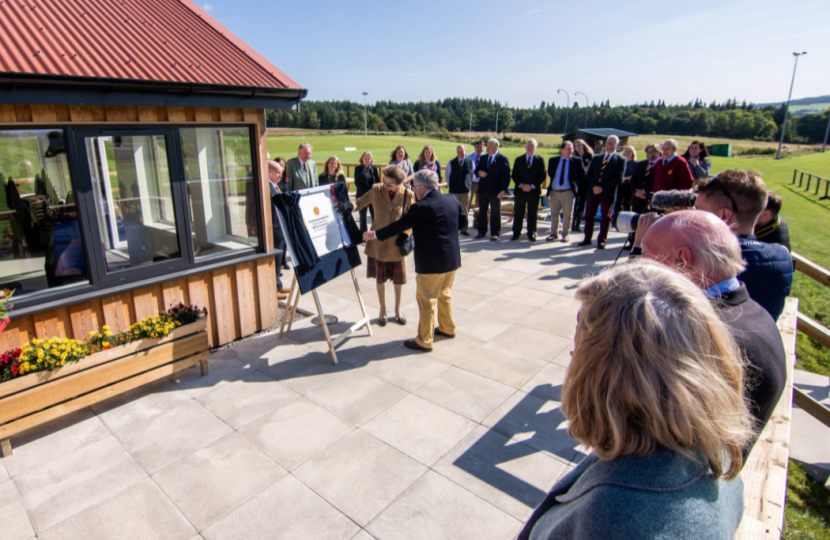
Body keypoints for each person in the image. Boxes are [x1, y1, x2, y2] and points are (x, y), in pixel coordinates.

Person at [519, 260, 751, 540]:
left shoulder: (613, 518)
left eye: (580, 343)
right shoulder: (715, 450)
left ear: (606, 368)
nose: (572, 356)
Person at [632, 210, 787, 452]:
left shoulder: (698, 335)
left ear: (682, 260)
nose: (640, 263)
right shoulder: (748, 311)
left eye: (646, 254)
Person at [361, 170, 467, 351]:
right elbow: (463, 223)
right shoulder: (451, 199)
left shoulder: (421, 206)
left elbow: (398, 226)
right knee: (444, 295)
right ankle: (447, 328)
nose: (413, 190)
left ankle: (424, 340)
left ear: (423, 188)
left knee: (427, 301)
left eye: (415, 187)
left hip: (432, 264)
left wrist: (374, 234)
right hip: (452, 261)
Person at [694, 169, 793, 321]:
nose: (693, 216)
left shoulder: (704, 260)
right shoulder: (783, 255)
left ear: (724, 216)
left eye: (699, 210)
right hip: (766, 338)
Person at [337, 165, 416, 327]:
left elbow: (412, 219)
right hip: (377, 243)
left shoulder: (408, 195)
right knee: (380, 279)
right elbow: (360, 201)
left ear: (399, 184)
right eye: (384, 181)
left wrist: (405, 234)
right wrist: (350, 207)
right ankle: (382, 309)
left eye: (389, 184)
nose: (384, 185)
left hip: (396, 244)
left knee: (398, 281)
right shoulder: (376, 190)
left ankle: (398, 309)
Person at [578, 135, 625, 249]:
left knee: (605, 218)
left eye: (612, 144)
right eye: (608, 143)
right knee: (589, 216)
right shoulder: (597, 158)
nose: (609, 146)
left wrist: (602, 188)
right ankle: (587, 238)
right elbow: (589, 175)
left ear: (616, 145)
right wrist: (594, 186)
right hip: (592, 192)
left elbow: (618, 178)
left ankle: (602, 240)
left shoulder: (620, 160)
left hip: (607, 193)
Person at [546, 141, 584, 243]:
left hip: (568, 192)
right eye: (568, 148)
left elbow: (582, 176)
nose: (570, 150)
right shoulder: (553, 160)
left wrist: (575, 186)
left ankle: (565, 234)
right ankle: (554, 233)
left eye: (572, 148)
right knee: (554, 213)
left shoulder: (577, 161)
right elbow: (550, 173)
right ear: (561, 150)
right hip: (555, 191)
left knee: (568, 214)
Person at [474, 138, 511, 241]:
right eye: (488, 146)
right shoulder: (483, 158)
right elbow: (477, 170)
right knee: (482, 212)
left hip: (496, 192)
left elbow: (507, 177)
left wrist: (503, 190)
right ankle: (481, 232)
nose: (487, 148)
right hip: (483, 190)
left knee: (495, 212)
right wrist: (479, 172)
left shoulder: (503, 159)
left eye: (489, 146)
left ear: (496, 147)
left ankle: (495, 233)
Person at [510, 138, 546, 241]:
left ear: (536, 147)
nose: (530, 147)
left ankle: (532, 232)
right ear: (525, 146)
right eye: (528, 145)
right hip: (520, 191)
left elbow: (542, 176)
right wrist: (521, 185)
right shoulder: (519, 159)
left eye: (532, 145)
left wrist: (533, 186)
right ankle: (516, 232)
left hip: (533, 192)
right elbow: (514, 175)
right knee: (518, 212)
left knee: (532, 213)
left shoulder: (540, 160)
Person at [267, 161, 291, 300]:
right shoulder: (266, 187)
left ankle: (278, 284)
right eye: (278, 172)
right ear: (269, 172)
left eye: (281, 172)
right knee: (275, 260)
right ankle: (274, 289)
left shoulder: (274, 185)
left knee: (280, 259)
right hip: (274, 229)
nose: (281, 175)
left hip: (280, 228)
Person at [444, 144, 475, 236]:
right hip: (454, 191)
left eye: (462, 151)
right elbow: (447, 176)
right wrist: (452, 185)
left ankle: (464, 229)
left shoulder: (470, 162)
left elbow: (472, 175)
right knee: (453, 210)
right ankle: (453, 228)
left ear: (465, 151)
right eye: (458, 152)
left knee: (465, 210)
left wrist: (468, 185)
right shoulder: (451, 163)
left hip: (465, 191)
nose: (460, 153)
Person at [629, 143, 660, 214]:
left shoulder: (661, 165)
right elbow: (633, 179)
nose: (650, 153)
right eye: (648, 152)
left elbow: (658, 182)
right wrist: (637, 192)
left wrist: (645, 191)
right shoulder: (641, 164)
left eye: (653, 151)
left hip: (652, 200)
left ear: (659, 152)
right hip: (637, 200)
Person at [354, 151, 380, 233]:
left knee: (374, 214)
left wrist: (373, 192)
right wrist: (367, 193)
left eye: (369, 158)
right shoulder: (358, 169)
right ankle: (363, 233)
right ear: (362, 159)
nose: (367, 160)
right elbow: (357, 183)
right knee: (362, 216)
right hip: (362, 195)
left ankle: (373, 232)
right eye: (365, 158)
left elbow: (377, 181)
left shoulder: (374, 168)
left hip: (373, 196)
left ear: (371, 159)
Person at [571, 139, 593, 232]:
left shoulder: (589, 155)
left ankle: (578, 224)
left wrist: (582, 169)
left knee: (582, 202)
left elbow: (588, 168)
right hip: (576, 182)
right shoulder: (574, 157)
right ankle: (572, 224)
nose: (578, 147)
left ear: (583, 145)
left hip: (585, 182)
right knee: (574, 202)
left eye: (579, 145)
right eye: (576, 145)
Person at [614, 145, 636, 215]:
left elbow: (635, 175)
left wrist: (626, 178)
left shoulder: (635, 163)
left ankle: (625, 218)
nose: (628, 153)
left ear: (632, 153)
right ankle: (615, 220)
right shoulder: (620, 162)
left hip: (629, 186)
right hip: (620, 185)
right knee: (618, 202)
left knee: (627, 203)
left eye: (629, 151)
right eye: (626, 151)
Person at [470, 140, 486, 209]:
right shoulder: (469, 157)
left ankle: (477, 219)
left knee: (480, 204)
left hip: (482, 183)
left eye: (481, 147)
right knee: (467, 202)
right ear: (474, 147)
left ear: (483, 147)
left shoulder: (487, 157)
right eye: (477, 147)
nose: (479, 149)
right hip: (472, 182)